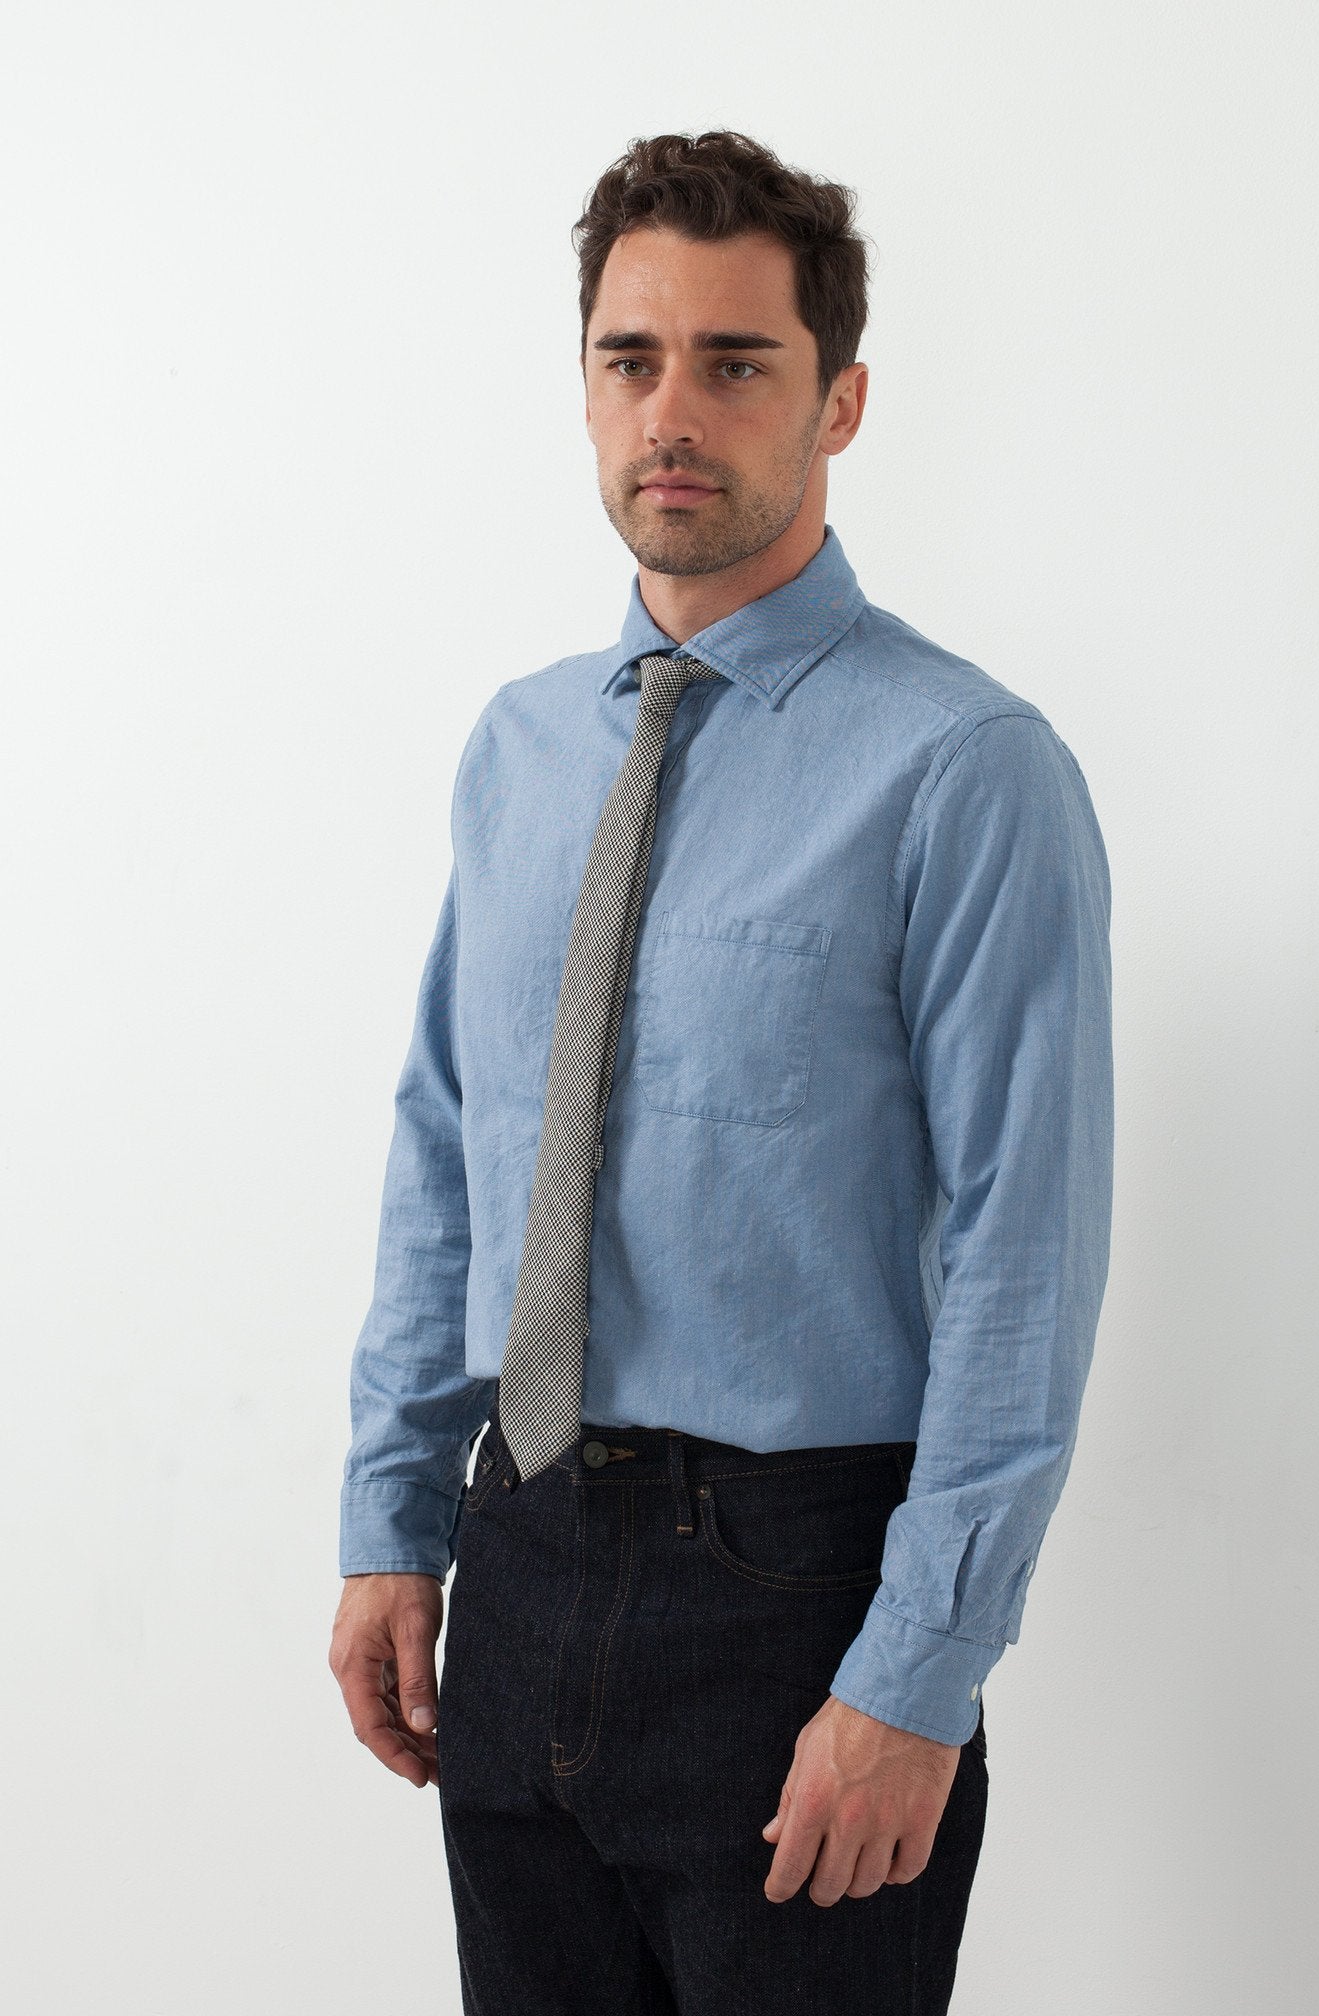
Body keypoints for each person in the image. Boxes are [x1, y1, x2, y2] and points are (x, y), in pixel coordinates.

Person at [329, 128, 1114, 2015]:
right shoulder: (519, 748)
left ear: (839, 402)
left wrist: (913, 1681)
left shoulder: (964, 770)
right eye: (631, 360)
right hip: (515, 1557)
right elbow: (447, 1144)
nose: (670, 416)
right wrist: (389, 1521)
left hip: (795, 1608)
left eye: (735, 363)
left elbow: (1024, 1247)